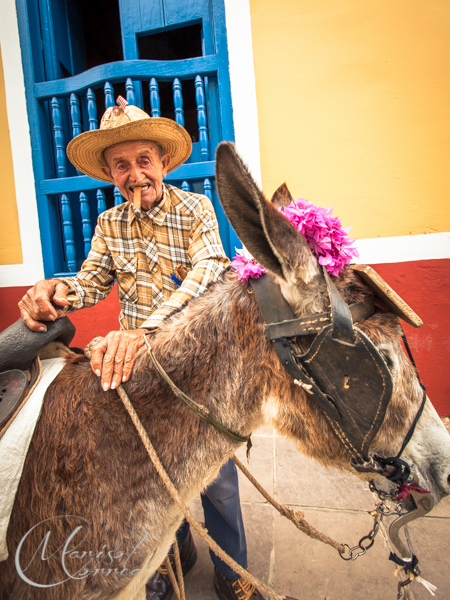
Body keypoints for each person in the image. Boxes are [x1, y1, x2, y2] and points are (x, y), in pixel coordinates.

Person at [18, 97, 263, 600]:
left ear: (164, 163)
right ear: (111, 174)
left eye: (143, 160)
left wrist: (145, 330)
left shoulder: (196, 210)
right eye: (121, 165)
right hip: (140, 371)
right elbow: (90, 284)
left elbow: (210, 269)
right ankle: (171, 559)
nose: (135, 174)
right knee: (151, 470)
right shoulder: (109, 225)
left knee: (215, 480)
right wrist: (55, 291)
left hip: (198, 365)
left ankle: (233, 571)